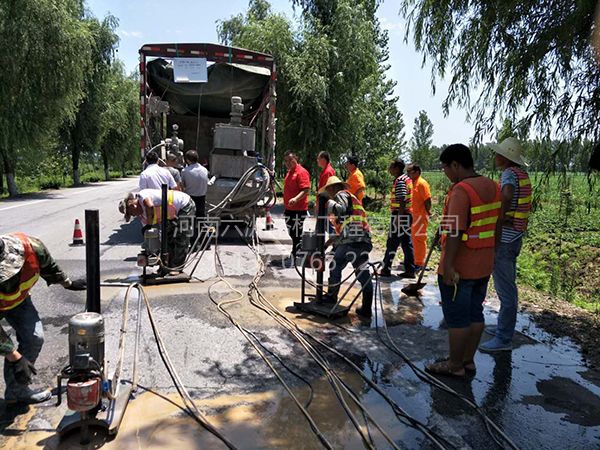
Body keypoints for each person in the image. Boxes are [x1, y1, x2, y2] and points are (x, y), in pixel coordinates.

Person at [425, 144, 501, 377]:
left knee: (457, 318)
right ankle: (467, 361)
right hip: (483, 263)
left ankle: (454, 365)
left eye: (446, 168)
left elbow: (455, 230)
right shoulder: (494, 186)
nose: (446, 173)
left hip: (460, 267)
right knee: (475, 314)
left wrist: (448, 266)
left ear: (456, 165)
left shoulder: (461, 191)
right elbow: (497, 225)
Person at [0, 234, 86, 404]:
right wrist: (14, 355)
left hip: (19, 302)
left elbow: (50, 267)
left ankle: (17, 392)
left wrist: (68, 283)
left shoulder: (31, 247)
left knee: (34, 338)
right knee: (13, 354)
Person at [479, 137, 532, 352]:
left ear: (505, 157)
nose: (495, 157)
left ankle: (503, 338)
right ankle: (503, 328)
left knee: (506, 289)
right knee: (507, 285)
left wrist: (498, 220)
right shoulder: (522, 174)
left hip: (506, 238)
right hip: (516, 235)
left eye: (498, 153)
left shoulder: (509, 174)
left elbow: (507, 196)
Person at [320, 176, 373, 318]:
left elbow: (341, 210)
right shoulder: (352, 199)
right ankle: (367, 309)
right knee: (363, 272)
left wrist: (330, 203)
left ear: (332, 188)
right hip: (363, 241)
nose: (329, 194)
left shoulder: (340, 195)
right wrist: (326, 245)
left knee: (335, 266)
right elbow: (341, 232)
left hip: (351, 241)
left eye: (328, 191)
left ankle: (331, 297)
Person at [119, 189, 196, 268]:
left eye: (131, 213)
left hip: (184, 204)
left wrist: (149, 224)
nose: (133, 216)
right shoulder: (143, 217)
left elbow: (150, 206)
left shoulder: (142, 195)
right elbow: (149, 234)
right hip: (171, 214)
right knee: (168, 239)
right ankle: (168, 265)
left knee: (181, 237)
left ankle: (177, 267)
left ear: (132, 206)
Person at [378, 159, 416, 278]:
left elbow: (402, 200)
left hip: (401, 214)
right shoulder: (407, 179)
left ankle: (386, 269)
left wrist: (398, 217)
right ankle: (410, 270)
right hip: (406, 214)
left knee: (392, 242)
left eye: (391, 166)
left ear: (397, 168)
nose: (389, 169)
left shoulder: (400, 181)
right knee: (406, 243)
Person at [283, 151, 310, 257]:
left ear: (296, 158)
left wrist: (295, 198)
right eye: (286, 161)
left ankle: (297, 252)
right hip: (289, 209)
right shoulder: (290, 172)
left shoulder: (301, 172)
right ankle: (297, 250)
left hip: (298, 209)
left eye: (290, 160)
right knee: (292, 231)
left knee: (296, 232)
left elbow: (306, 189)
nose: (288, 163)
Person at [181, 150, 209, 247]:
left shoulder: (185, 171)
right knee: (202, 220)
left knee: (191, 222)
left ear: (188, 160)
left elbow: (182, 185)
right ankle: (206, 242)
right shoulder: (204, 170)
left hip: (190, 198)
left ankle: (194, 243)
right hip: (202, 198)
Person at [407, 163, 432, 270]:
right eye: (407, 172)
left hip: (421, 216)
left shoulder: (422, 184)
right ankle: (415, 260)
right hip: (414, 215)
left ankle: (420, 263)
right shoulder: (413, 183)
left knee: (419, 239)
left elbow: (427, 200)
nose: (408, 174)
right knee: (413, 238)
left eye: (410, 172)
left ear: (417, 172)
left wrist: (428, 212)